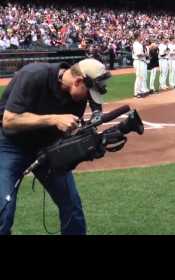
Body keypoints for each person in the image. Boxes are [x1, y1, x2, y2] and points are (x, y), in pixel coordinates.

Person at [0, 58, 111, 235]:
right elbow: (9, 120)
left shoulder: (77, 97)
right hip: (11, 144)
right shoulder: (33, 75)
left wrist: (85, 146)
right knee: (4, 208)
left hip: (47, 147)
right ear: (78, 81)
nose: (89, 100)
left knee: (71, 204)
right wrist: (53, 119)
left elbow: (64, 136)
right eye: (88, 93)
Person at [132, 32, 149, 98]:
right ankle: (136, 93)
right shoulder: (136, 44)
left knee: (142, 77)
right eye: (141, 36)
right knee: (139, 77)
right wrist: (145, 54)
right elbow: (138, 54)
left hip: (141, 61)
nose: (142, 37)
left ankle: (141, 91)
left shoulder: (139, 44)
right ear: (138, 37)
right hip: (138, 61)